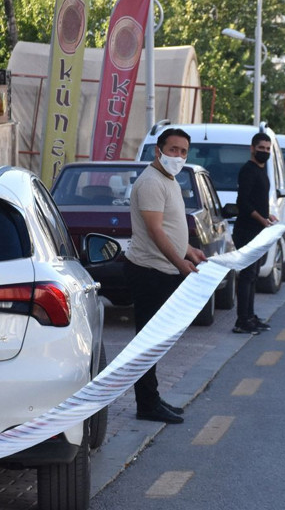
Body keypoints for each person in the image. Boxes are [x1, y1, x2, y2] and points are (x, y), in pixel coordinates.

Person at [124, 127, 207, 424]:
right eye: (173, 149)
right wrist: (180, 262)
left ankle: (153, 398)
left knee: (156, 342)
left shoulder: (169, 179)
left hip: (165, 268)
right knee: (147, 342)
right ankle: (146, 404)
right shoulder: (150, 182)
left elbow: (171, 227)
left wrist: (189, 251)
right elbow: (155, 230)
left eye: (184, 151)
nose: (179, 156)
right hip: (150, 272)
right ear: (159, 150)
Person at [232, 132, 277, 335]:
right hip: (247, 231)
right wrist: (261, 219)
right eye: (261, 148)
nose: (265, 152)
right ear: (252, 148)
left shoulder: (262, 170)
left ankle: (250, 316)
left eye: (268, 149)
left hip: (259, 231)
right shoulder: (248, 171)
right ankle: (242, 320)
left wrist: (270, 216)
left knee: (253, 275)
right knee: (247, 275)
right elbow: (244, 202)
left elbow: (259, 201)